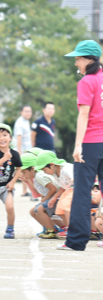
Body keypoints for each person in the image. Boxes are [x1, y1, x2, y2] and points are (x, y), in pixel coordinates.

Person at [59, 40, 103, 251]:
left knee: (83, 192)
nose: (76, 63)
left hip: (91, 142)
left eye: (78, 59)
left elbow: (84, 114)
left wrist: (78, 146)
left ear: (89, 60)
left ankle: (76, 241)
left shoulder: (87, 82)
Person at [14, 105, 33, 197]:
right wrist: (19, 153)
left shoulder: (26, 121)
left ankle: (25, 191)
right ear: (21, 112)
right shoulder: (20, 123)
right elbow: (18, 138)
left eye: (29, 111)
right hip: (22, 151)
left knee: (24, 171)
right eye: (26, 111)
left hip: (27, 151)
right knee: (22, 171)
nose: (28, 113)